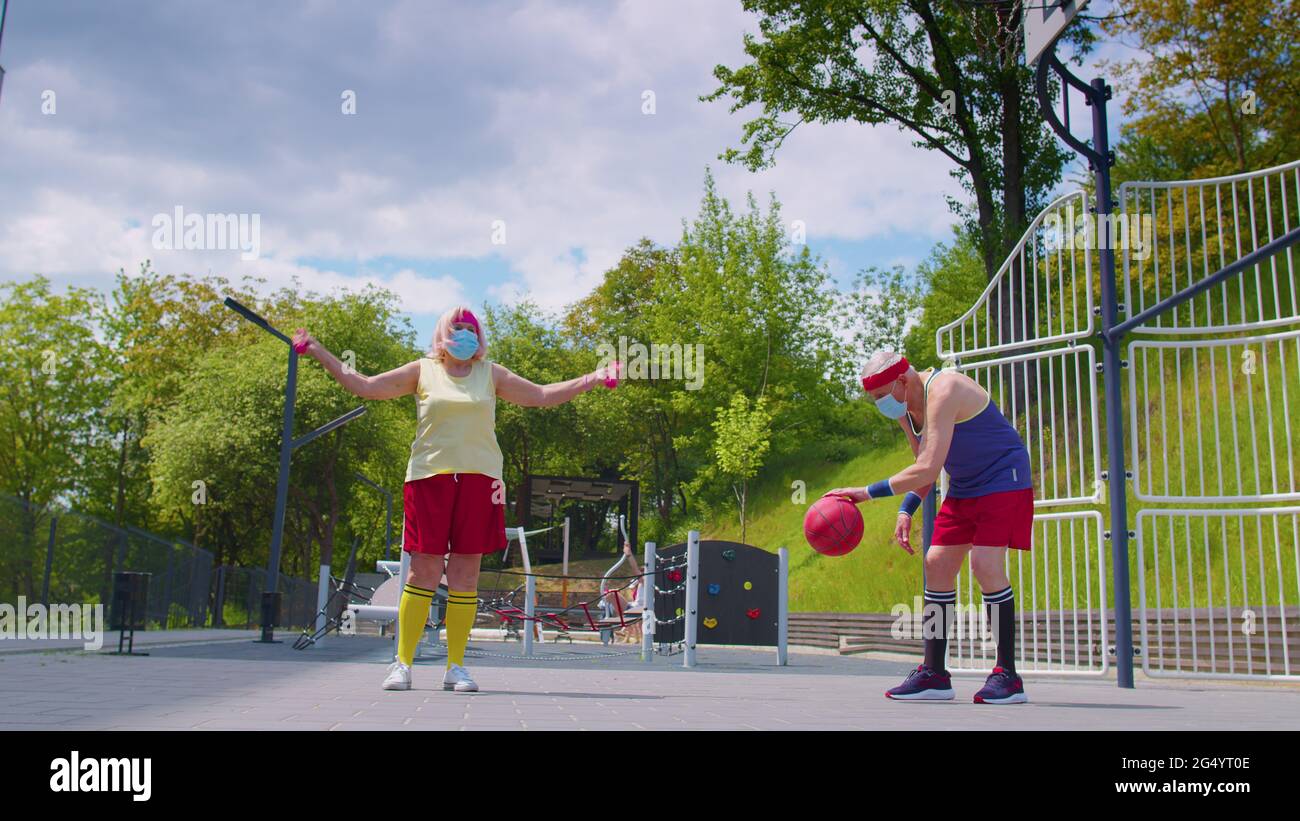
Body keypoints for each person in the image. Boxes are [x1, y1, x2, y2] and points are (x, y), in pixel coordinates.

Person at [292, 306, 619, 693]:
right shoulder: (422, 370)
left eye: (470, 328)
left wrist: (593, 378)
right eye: (457, 327)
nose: (464, 333)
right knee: (423, 572)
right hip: (429, 478)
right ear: (442, 335)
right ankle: (402, 664)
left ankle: (456, 667)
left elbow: (541, 396)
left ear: (479, 338)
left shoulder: (491, 374)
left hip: (481, 481)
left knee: (465, 575)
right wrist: (318, 350)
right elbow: (365, 385)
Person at [824, 351, 1033, 704]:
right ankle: (935, 673)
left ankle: (1007, 675)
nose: (881, 405)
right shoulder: (907, 407)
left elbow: (929, 468)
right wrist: (907, 509)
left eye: (880, 397)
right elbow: (924, 464)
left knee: (985, 564)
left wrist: (865, 493)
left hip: (1003, 477)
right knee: (936, 564)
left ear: (902, 381)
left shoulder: (945, 388)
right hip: (966, 484)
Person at [601, 541, 643, 644]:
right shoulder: (641, 581)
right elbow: (637, 574)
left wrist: (629, 554)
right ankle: (608, 613)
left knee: (612, 594)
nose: (642, 574)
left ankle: (624, 622)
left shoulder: (649, 580)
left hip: (638, 610)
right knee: (611, 594)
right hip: (632, 608)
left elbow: (635, 569)